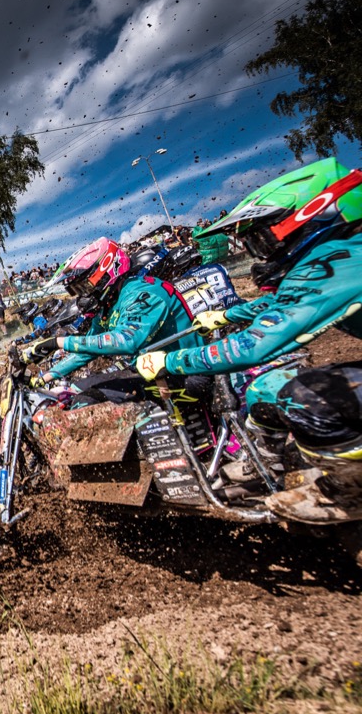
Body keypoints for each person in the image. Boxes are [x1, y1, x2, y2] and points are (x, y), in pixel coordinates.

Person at [135, 157, 362, 523]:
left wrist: (170, 361)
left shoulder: (343, 256)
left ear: (314, 217)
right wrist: (225, 315)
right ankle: (266, 466)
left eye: (260, 240)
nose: (257, 253)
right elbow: (281, 302)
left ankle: (348, 491)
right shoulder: (341, 254)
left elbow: (255, 345)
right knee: (263, 391)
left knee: (303, 398)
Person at [22, 237, 202, 404]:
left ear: (105, 271)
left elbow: (126, 340)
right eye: (77, 291)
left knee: (85, 400)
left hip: (186, 373)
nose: (82, 296)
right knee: (75, 391)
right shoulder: (108, 305)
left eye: (84, 287)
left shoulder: (142, 292)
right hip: (151, 371)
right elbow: (85, 351)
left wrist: (58, 342)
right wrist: (44, 378)